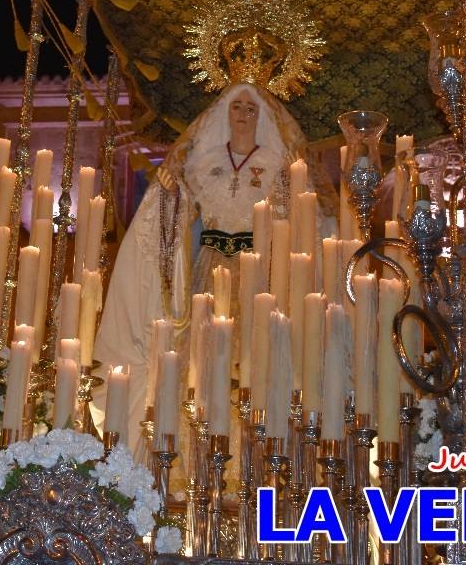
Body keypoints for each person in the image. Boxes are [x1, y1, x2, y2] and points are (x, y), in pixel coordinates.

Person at [93, 82, 335, 455]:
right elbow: (179, 214)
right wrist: (169, 194)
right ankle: (190, 457)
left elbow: (298, 218)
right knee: (198, 361)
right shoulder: (204, 161)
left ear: (263, 117)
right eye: (236, 107)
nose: (242, 115)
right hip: (209, 268)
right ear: (226, 113)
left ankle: (253, 455)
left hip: (257, 274)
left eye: (250, 109)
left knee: (256, 359)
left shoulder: (275, 163)